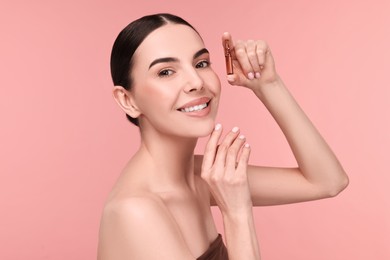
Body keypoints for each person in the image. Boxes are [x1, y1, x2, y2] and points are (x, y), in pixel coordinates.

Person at [97, 13, 349, 260]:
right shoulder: (135, 211)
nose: (196, 81)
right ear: (127, 100)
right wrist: (237, 213)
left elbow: (328, 181)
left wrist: (268, 85)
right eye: (166, 72)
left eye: (201, 64)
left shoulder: (201, 176)